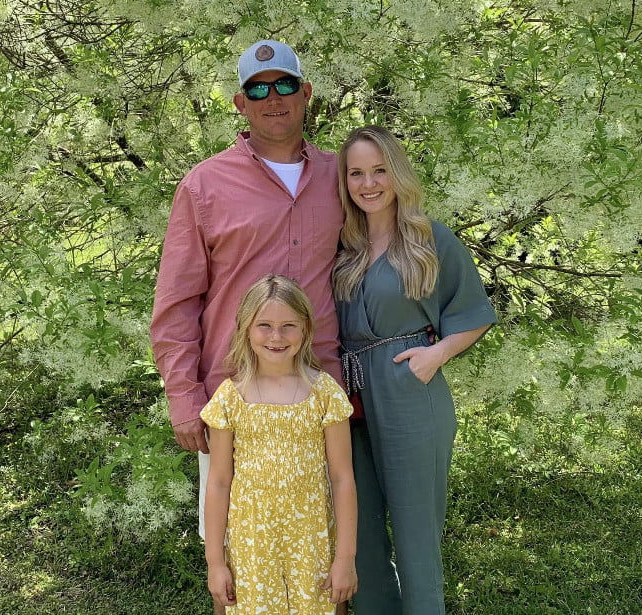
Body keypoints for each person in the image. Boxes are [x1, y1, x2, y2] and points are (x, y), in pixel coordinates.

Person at [149, 39, 347, 614]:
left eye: (285, 84)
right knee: (233, 553)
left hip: (320, 392)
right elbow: (176, 301)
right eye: (258, 89)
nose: (273, 98)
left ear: (306, 93)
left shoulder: (341, 178)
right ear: (240, 103)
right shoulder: (204, 186)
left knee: (323, 542)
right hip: (232, 394)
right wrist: (184, 397)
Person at [332, 125, 498, 615]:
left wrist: (435, 356)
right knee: (358, 535)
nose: (368, 183)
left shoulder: (430, 239)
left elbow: (474, 313)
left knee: (415, 536)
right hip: (350, 397)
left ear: (397, 173)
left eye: (379, 170)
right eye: (356, 173)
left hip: (409, 390)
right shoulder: (344, 246)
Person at [201, 274, 358, 614]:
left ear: (306, 329)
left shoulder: (325, 393)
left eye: (289, 325)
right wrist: (216, 562)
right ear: (245, 328)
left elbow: (343, 477)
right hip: (251, 549)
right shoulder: (230, 397)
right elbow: (218, 482)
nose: (276, 336)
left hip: (312, 546)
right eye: (264, 325)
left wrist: (345, 558)